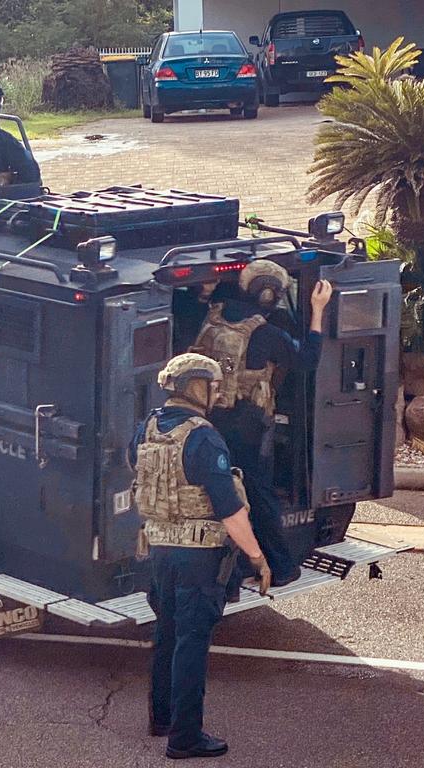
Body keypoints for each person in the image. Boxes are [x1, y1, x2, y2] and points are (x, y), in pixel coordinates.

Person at [129, 353, 272, 760]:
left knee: (167, 633)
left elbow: (133, 467)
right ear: (194, 387)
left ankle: (161, 718)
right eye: (211, 385)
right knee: (192, 642)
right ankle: (185, 738)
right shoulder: (204, 437)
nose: (216, 392)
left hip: (159, 551)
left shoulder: (147, 427)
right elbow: (229, 509)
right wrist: (258, 558)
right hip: (198, 557)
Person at [190, 260, 333, 591]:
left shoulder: (212, 317)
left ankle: (236, 567)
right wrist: (317, 312)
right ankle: (282, 566)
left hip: (209, 419)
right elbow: (307, 361)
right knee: (258, 493)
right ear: (273, 296)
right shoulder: (267, 334)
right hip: (249, 425)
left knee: (219, 491)